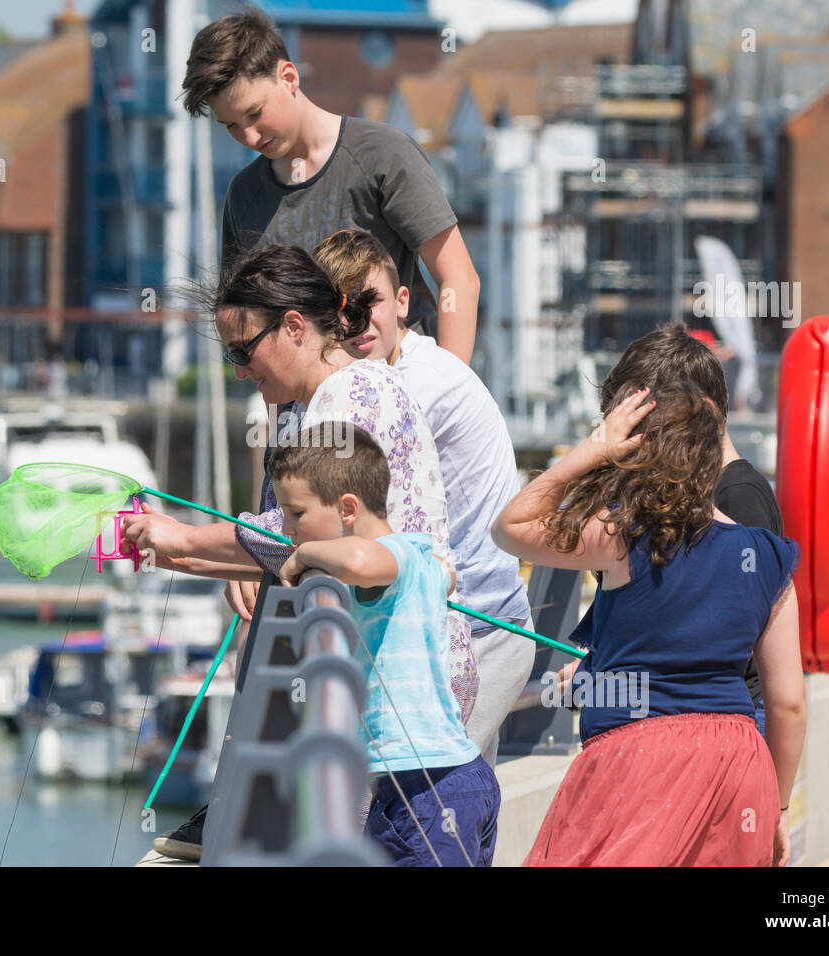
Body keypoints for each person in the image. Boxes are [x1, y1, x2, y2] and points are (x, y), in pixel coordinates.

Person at [122, 244, 475, 861]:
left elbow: (293, 538)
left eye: (242, 350)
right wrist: (171, 551)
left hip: (400, 677)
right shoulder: (343, 393)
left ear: (293, 326)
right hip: (399, 667)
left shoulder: (345, 399)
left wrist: (175, 537)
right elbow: (291, 543)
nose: (238, 370)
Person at [494, 384, 806, 866]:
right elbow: (787, 703)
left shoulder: (623, 537)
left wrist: (594, 447)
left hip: (639, 759)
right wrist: (778, 806)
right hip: (739, 761)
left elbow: (510, 526)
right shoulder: (768, 556)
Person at [313, 228, 533, 767]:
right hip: (469, 621)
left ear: (404, 301)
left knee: (430, 810)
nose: (357, 323)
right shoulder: (392, 375)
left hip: (480, 627)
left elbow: (336, 506)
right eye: (341, 309)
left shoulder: (411, 385)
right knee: (460, 817)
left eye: (371, 303)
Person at [182, 5, 480, 362]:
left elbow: (459, 280)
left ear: (289, 77)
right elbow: (247, 325)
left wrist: (447, 395)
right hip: (308, 414)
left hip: (404, 397)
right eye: (230, 125)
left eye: (254, 113)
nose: (247, 135)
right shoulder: (243, 195)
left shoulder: (383, 154)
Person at [273, 426, 499, 866]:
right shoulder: (416, 557)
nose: (286, 528)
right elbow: (445, 575)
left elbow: (359, 559)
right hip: (447, 783)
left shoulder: (389, 557)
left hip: (427, 788)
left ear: (348, 508)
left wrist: (306, 556)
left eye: (295, 513)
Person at [561, 322, 783, 735]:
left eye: (650, 424)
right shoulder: (696, 492)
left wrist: (600, 682)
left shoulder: (737, 498)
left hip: (721, 729)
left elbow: (708, 652)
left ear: (705, 413)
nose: (637, 441)